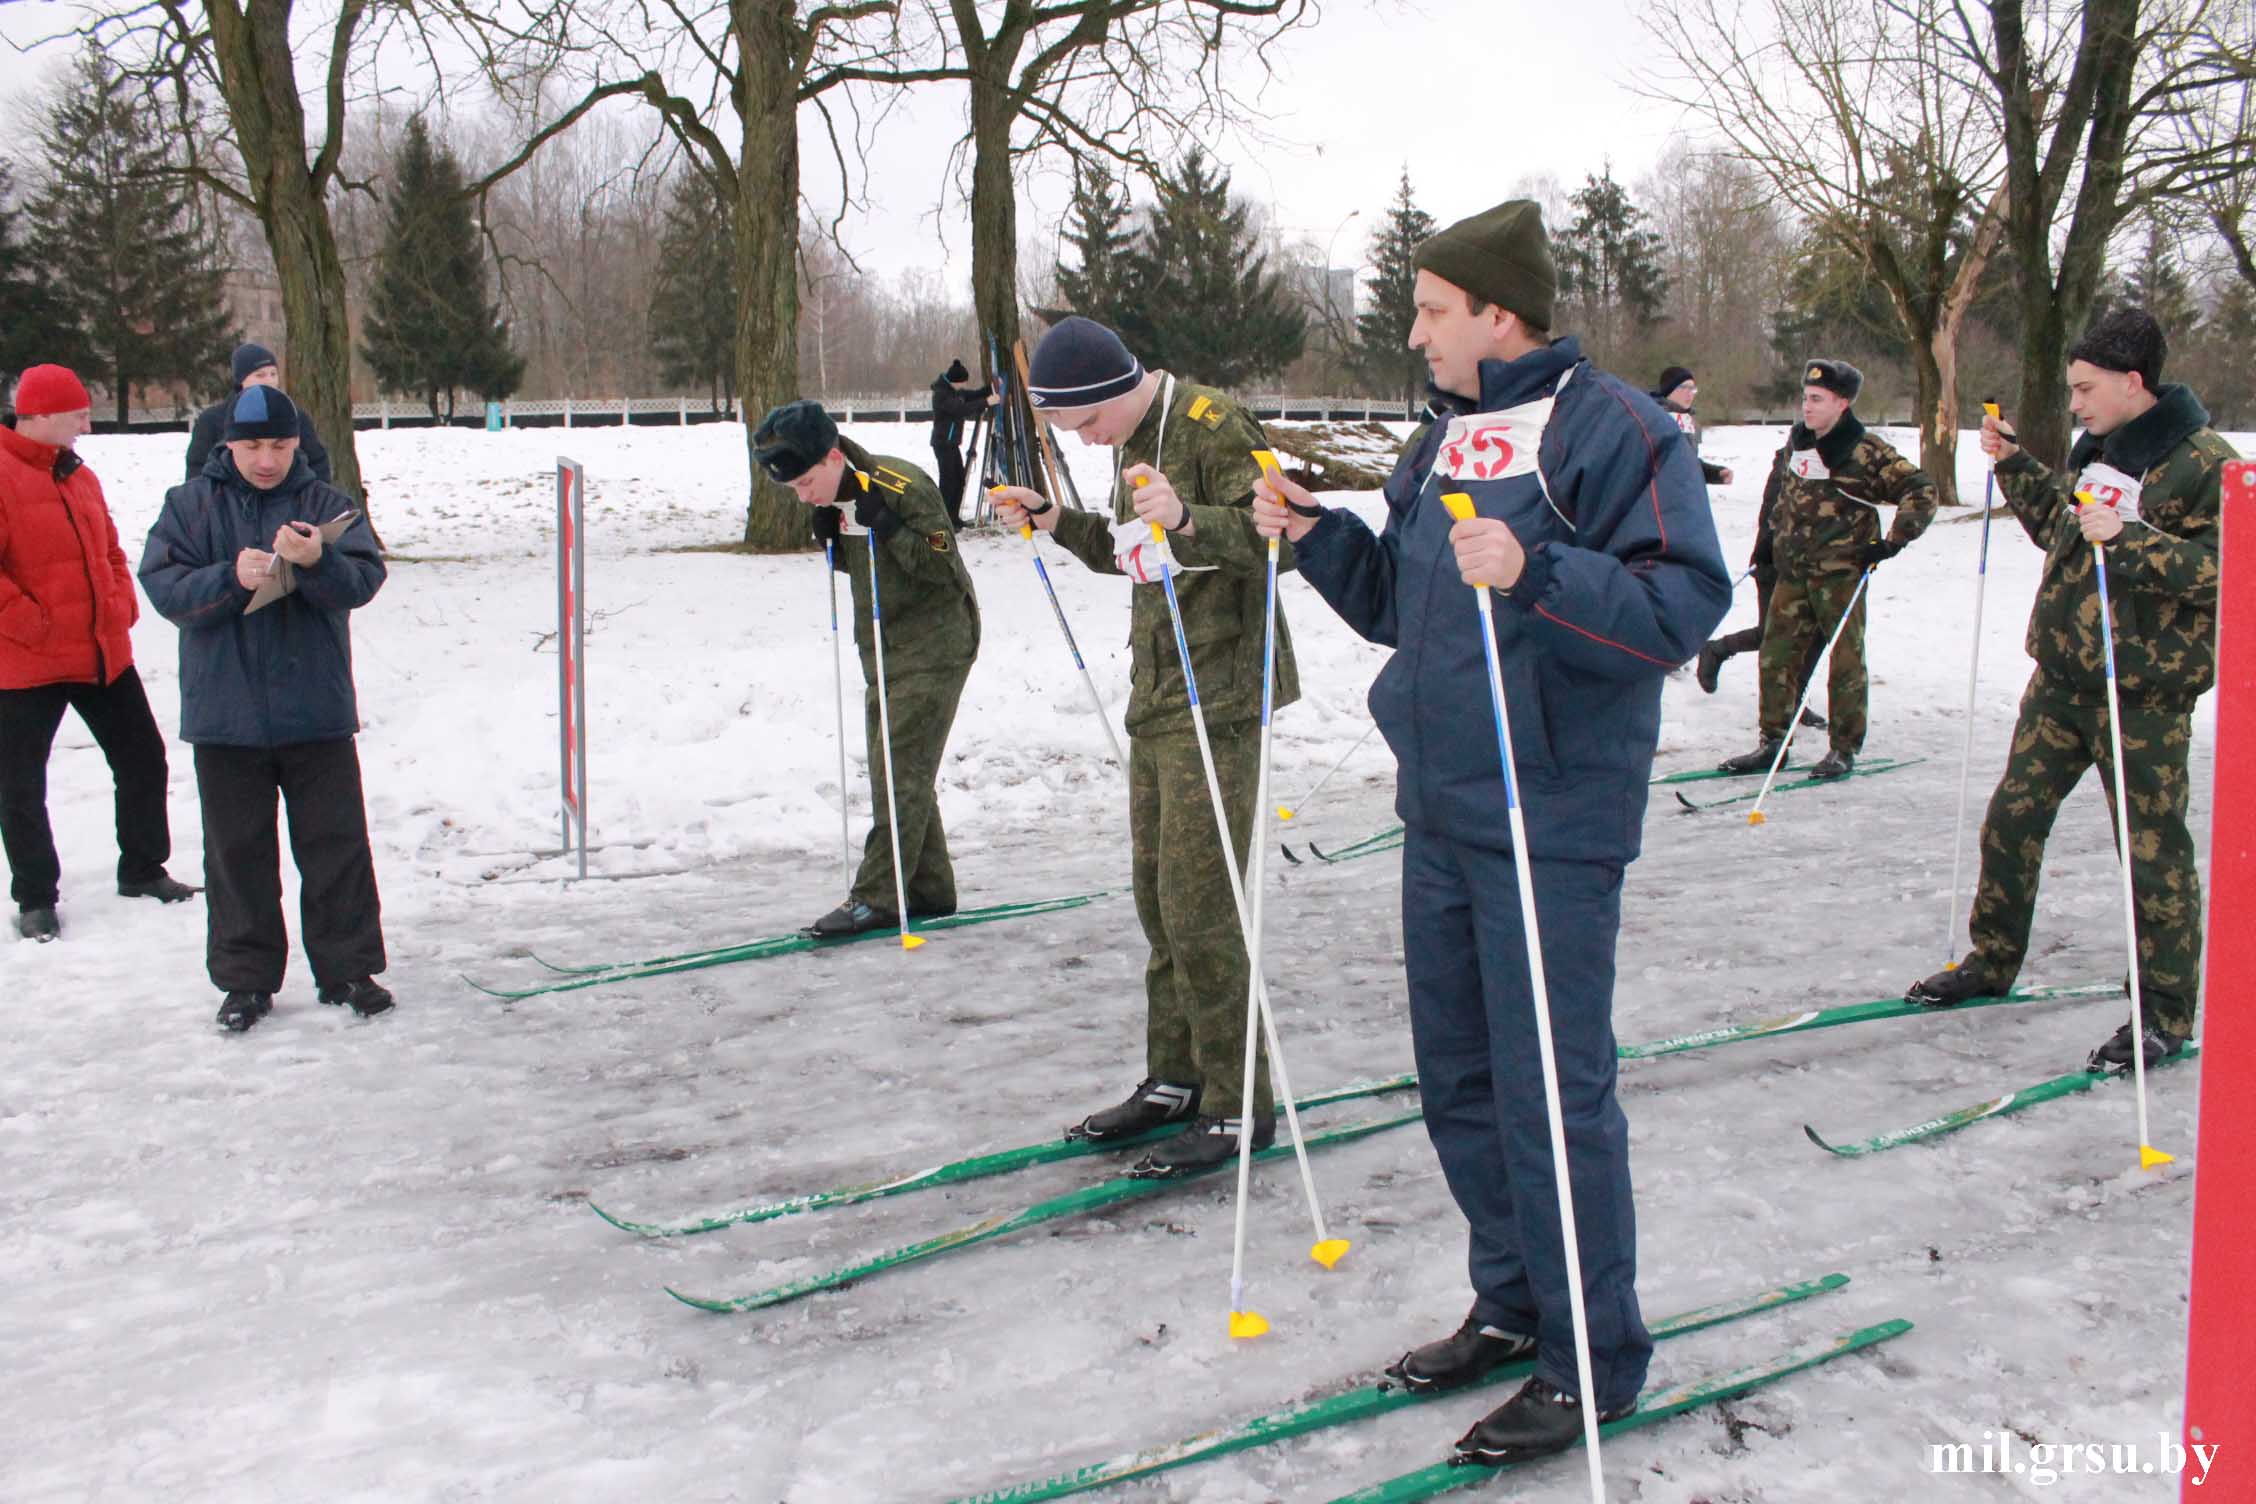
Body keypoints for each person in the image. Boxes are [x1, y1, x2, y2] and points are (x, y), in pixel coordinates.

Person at [1251, 200, 1730, 1464]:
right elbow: (1409, 609)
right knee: (1460, 1078)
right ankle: (1515, 1303)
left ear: (1497, 315)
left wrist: (1536, 570)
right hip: (1443, 806)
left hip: (1552, 812)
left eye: (1430, 309)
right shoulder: (1445, 436)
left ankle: (1593, 1358)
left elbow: (1680, 608)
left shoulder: (1614, 428)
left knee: (1550, 1095)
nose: (1413, 329)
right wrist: (1314, 537)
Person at [988, 314, 1295, 1178]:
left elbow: (1284, 543)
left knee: (1204, 907)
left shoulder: (1212, 424)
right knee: (1160, 902)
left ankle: (1240, 1106)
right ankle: (1177, 1078)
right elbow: (1135, 553)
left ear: (1113, 391)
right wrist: (1057, 519)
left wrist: (1194, 516)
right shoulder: (1133, 443)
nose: (1085, 440)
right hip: (1160, 694)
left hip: (1222, 694)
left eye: (1085, 423)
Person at [1907, 308, 2237, 1070]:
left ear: (2134, 382)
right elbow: (2065, 527)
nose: (2077, 404)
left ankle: (2164, 1015)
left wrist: (2133, 541)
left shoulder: (2205, 464)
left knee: (2152, 859)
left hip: (2143, 697)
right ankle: (1992, 960)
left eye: (2086, 389)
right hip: (2061, 684)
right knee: (2011, 822)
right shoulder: (2105, 450)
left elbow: (2224, 575)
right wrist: (2018, 465)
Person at [140, 385, 390, 1033]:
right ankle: (245, 982)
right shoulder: (189, 506)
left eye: (279, 446)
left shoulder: (328, 503)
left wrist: (318, 561)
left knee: (336, 847)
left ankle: (348, 969)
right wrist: (231, 578)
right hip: (227, 717)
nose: (267, 460)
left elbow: (363, 581)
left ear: (298, 444)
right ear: (227, 445)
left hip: (316, 712)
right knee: (236, 856)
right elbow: (165, 589)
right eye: (252, 446)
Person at [752, 400, 980, 941]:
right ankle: (928, 886)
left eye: (808, 481)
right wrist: (832, 542)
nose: (804, 494)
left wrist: (886, 524)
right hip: (882, 648)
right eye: (795, 490)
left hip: (935, 645)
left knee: (899, 768)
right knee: (892, 768)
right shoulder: (837, 498)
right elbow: (867, 572)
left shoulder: (901, 487)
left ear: (833, 456)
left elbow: (941, 572)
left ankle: (879, 895)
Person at [1, 364, 197, 941]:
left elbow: (110, 547)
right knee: (20, 783)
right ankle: (35, 896)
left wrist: (119, 604)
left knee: (143, 758)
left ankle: (142, 868)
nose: (88, 422)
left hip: (100, 651)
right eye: (78, 413)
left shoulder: (80, 476)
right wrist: (33, 622)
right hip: (25, 660)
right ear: (41, 415)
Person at [1716, 360, 1936, 780]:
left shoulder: (1864, 450)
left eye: (1817, 399)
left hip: (1841, 573)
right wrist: (1768, 541)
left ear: (1843, 402)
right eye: (1804, 398)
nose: (1807, 407)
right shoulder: (1798, 442)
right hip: (1793, 571)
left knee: (1846, 661)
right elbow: (1785, 494)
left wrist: (1892, 541)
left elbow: (1921, 489)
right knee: (1777, 655)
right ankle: (1773, 742)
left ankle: (1843, 747)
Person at [183, 342, 332, 484]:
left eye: (273, 374)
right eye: (260, 375)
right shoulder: (211, 420)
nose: (269, 381)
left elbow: (318, 464)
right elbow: (197, 470)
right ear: (241, 380)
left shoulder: (296, 417)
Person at [928, 359, 990, 527]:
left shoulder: (955, 391)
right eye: (962, 382)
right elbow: (959, 409)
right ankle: (945, 520)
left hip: (952, 444)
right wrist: (986, 403)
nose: (963, 386)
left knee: (959, 479)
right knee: (948, 482)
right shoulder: (941, 394)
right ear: (955, 381)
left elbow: (972, 395)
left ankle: (954, 518)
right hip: (942, 444)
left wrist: (989, 390)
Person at [1651, 366, 1732, 486]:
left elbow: (1688, 464)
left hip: (1684, 495)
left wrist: (1714, 473)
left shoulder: (1690, 421)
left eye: (1693, 389)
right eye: (1684, 387)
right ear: (1669, 390)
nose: (1690, 393)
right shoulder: (1652, 418)